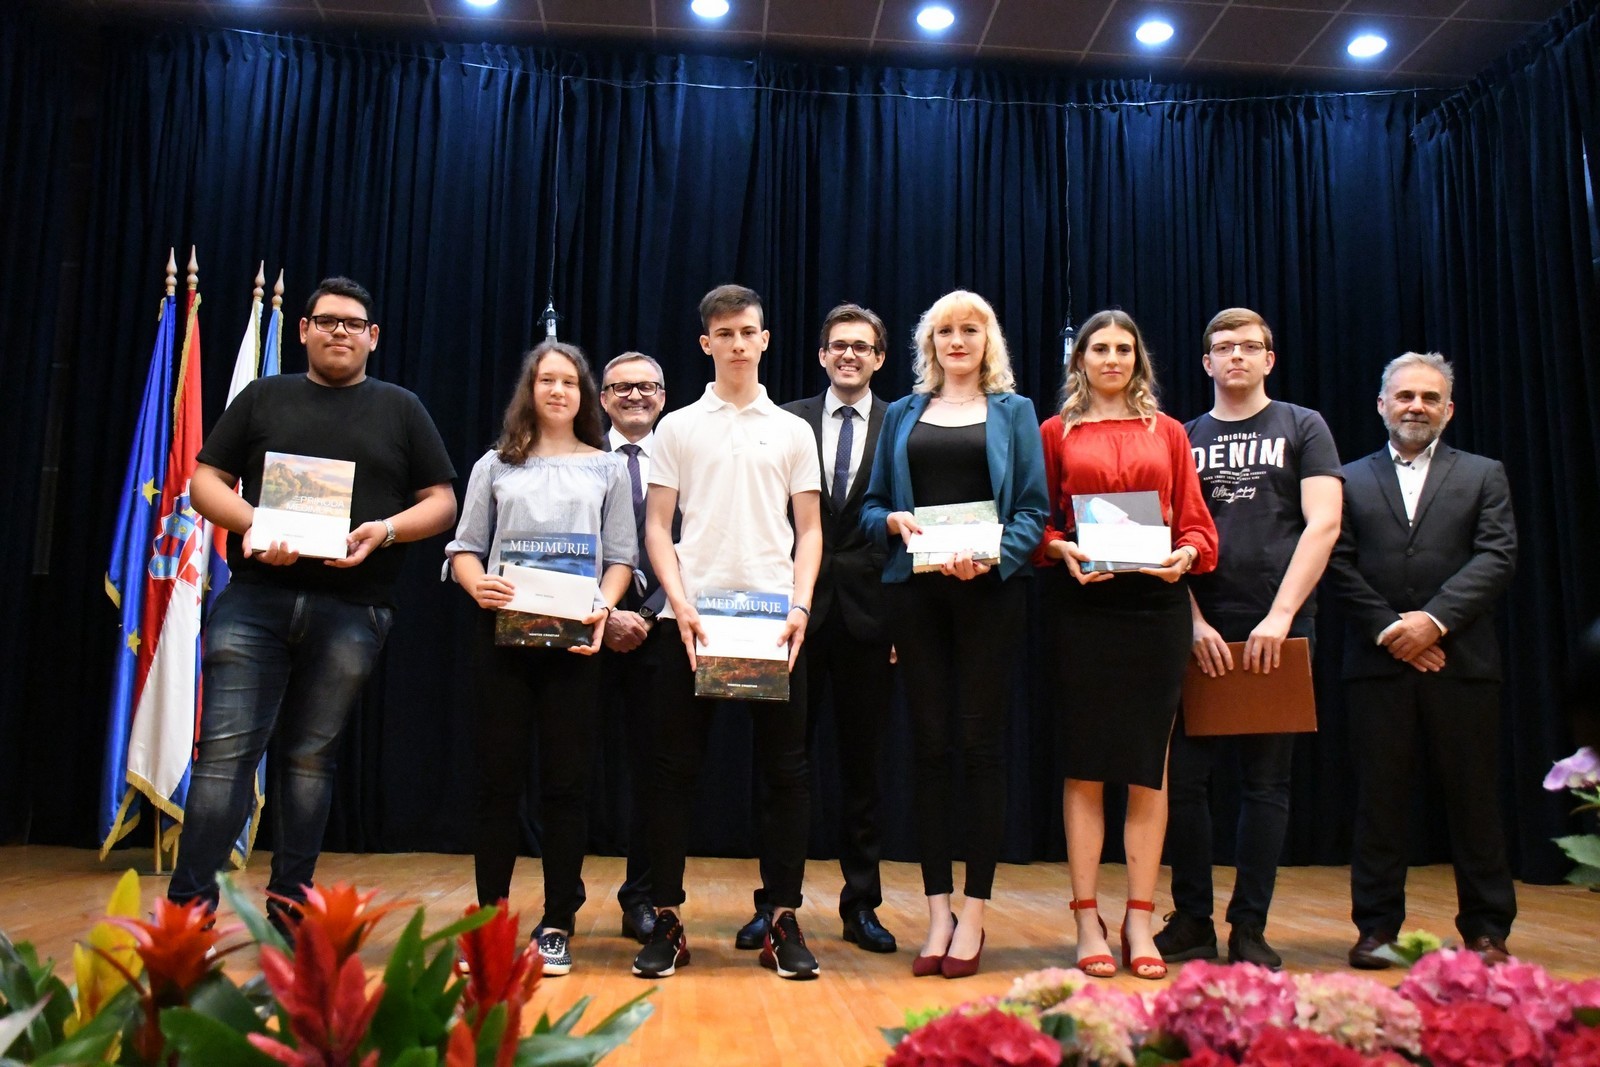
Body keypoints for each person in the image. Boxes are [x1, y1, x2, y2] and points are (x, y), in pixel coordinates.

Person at [167, 277, 457, 925]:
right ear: (302, 330)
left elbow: (442, 501)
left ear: (373, 337)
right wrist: (251, 526)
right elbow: (205, 480)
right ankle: (188, 909)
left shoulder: (402, 408)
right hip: (255, 599)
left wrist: (383, 531)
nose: (339, 332)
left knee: (308, 759)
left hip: (355, 608)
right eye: (325, 321)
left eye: (353, 323)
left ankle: (289, 902)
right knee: (224, 755)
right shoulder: (261, 396)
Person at [631, 284, 824, 981]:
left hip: (774, 627)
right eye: (725, 333)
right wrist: (678, 602)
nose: (738, 343)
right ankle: (668, 919)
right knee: (673, 773)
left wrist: (800, 607)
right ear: (705, 342)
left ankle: (782, 919)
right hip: (692, 623)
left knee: (787, 774)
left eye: (749, 331)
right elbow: (657, 525)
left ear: (766, 339)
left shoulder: (794, 430)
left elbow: (809, 530)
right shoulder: (676, 427)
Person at [860, 289, 1048, 979]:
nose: (958, 340)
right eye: (945, 330)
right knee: (930, 749)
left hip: (989, 596)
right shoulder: (904, 412)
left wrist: (995, 551)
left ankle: (975, 908)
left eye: (971, 329)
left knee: (980, 749)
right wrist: (893, 523)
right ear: (929, 343)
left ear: (988, 340)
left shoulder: (1014, 412)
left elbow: (1033, 508)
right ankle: (936, 908)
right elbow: (874, 505)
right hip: (919, 596)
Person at [1156, 307, 1343, 971]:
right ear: (1206, 363)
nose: (1236, 355)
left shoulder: (1303, 426)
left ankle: (1250, 926)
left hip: (1280, 630)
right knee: (1185, 786)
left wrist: (1282, 614)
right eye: (1223, 347)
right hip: (1200, 629)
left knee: (1267, 784)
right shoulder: (1182, 435)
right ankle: (1191, 920)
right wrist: (1193, 621)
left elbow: (1323, 523)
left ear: (1270, 358)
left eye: (1249, 346)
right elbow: (1163, 535)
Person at [1036, 308, 1218, 981]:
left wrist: (1184, 557)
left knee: (1151, 765)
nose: (1111, 358)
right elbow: (1041, 522)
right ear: (1079, 358)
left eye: (1123, 348)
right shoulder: (1055, 431)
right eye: (1099, 348)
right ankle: (1087, 914)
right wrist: (1059, 547)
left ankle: (1140, 915)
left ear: (1139, 359)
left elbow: (1197, 525)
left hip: (1154, 607)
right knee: (1084, 763)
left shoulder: (1168, 432)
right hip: (1084, 605)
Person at [445, 341, 636, 975]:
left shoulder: (606, 469)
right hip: (502, 640)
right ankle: (488, 923)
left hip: (575, 644)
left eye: (569, 382)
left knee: (566, 785)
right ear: (529, 390)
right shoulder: (494, 466)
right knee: (497, 784)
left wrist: (602, 608)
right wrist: (477, 585)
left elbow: (620, 559)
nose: (557, 390)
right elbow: (466, 547)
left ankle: (556, 923)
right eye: (545, 380)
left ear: (585, 395)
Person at [1323, 351, 1517, 968]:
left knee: (1474, 800)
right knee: (1378, 800)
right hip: (1378, 666)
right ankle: (1377, 930)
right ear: (1382, 405)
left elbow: (1497, 557)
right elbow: (1337, 563)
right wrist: (1390, 630)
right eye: (1405, 396)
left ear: (1449, 409)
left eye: (1430, 398)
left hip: (1462, 664)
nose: (1416, 407)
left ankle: (1487, 929)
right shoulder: (1347, 480)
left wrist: (1431, 624)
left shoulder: (1485, 474)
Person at [728, 304, 897, 955]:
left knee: (864, 771)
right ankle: (773, 904)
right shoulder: (784, 419)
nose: (849, 355)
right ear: (822, 355)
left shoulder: (902, 422)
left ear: (879, 357)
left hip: (870, 620)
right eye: (837, 346)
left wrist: (901, 622)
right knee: (778, 766)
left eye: (862, 345)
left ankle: (861, 905)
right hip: (785, 620)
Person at [597, 351, 669, 945]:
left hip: (662, 631)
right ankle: (559, 902)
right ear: (602, 399)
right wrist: (607, 614)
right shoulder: (578, 462)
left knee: (656, 774)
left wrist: (642, 614)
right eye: (621, 387)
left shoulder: (685, 462)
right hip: (585, 631)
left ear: (663, 397)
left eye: (647, 387)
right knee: (571, 769)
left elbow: (697, 542)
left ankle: (642, 897)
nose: (634, 396)